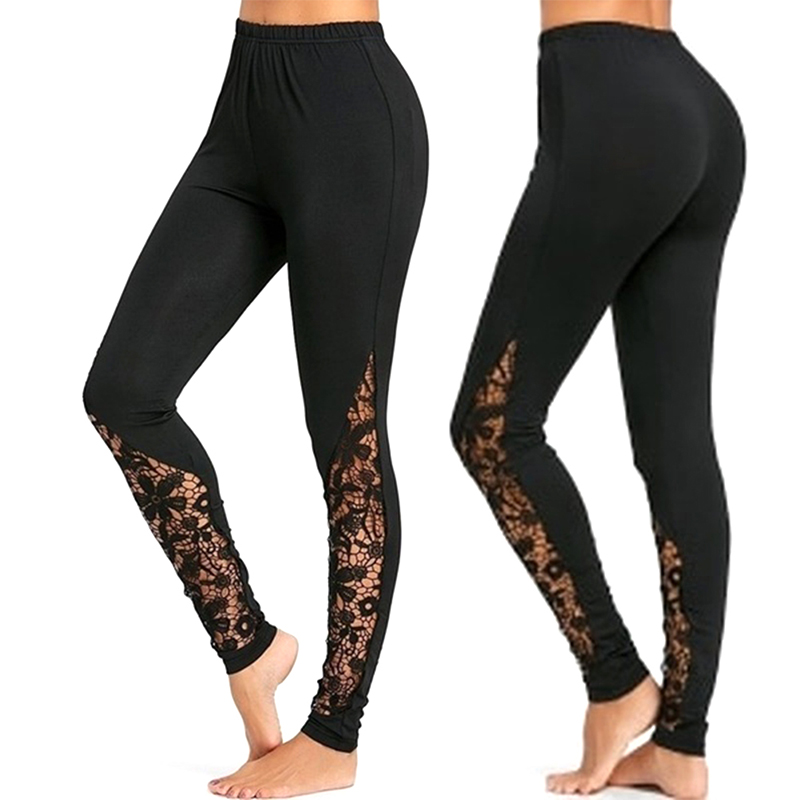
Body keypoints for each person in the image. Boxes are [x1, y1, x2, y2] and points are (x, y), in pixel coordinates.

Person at [81, 1, 428, 796]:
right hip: (244, 106)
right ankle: (249, 645)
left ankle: (335, 732)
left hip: (350, 111)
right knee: (124, 393)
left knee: (348, 441)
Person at [449, 1, 745, 797]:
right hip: (695, 102)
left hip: (609, 103)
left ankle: (615, 678)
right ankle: (681, 742)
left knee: (490, 427)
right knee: (678, 442)